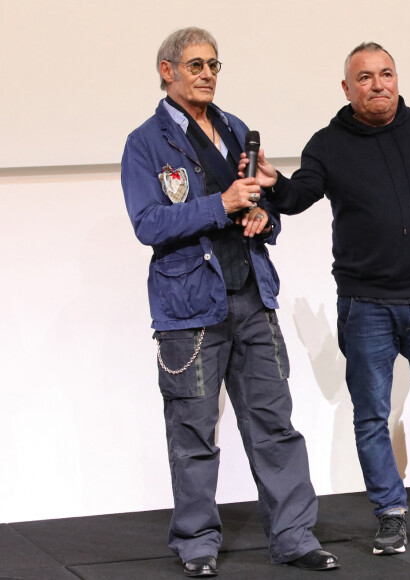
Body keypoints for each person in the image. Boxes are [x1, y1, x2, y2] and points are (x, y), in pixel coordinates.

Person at [240, 42, 410, 556]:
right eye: (365, 77)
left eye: (386, 73)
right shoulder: (327, 143)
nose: (378, 84)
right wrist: (273, 182)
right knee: (371, 417)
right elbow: (299, 195)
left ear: (397, 78)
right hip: (365, 305)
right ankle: (390, 516)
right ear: (347, 89)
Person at [121, 27, 339, 577]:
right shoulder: (145, 142)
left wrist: (265, 217)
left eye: (214, 65)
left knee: (274, 423)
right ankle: (197, 542)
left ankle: (294, 536)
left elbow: (259, 206)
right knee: (193, 428)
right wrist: (221, 203)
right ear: (167, 71)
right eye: (195, 65)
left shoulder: (236, 130)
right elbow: (148, 223)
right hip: (189, 306)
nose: (207, 74)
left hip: (251, 295)